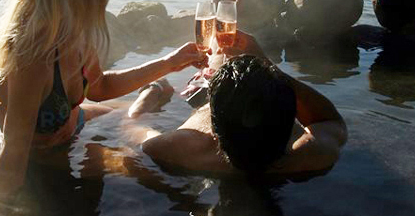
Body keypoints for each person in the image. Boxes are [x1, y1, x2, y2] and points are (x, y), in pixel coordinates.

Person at [0, 0, 207, 208]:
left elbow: (99, 87)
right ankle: (147, 107)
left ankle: (150, 96)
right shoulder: (33, 57)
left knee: (129, 116)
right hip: (48, 160)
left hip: (74, 123)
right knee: (148, 170)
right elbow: (13, 157)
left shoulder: (73, 31)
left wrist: (170, 62)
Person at [135, 30, 348, 178]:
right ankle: (223, 8)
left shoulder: (178, 149)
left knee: (220, 63)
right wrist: (268, 66)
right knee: (225, 67)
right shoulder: (314, 155)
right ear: (290, 124)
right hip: (253, 117)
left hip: (214, 113)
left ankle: (221, 10)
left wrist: (150, 93)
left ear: (213, 132)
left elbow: (132, 126)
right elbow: (330, 121)